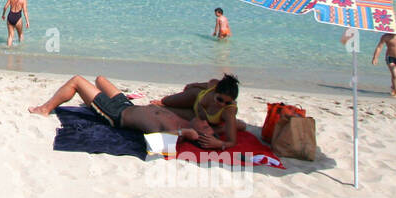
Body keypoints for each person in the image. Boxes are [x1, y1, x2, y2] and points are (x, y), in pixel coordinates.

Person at [28, 75, 220, 147]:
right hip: (127, 105)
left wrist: (185, 133)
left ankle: (44, 109)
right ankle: (91, 99)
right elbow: (210, 87)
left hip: (115, 114)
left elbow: (156, 145)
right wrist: (220, 142)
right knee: (100, 79)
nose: (204, 120)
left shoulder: (177, 132)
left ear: (198, 133)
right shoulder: (187, 118)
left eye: (205, 126)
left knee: (77, 81)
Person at [155, 76, 244, 150]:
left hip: (196, 116)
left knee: (166, 110)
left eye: (227, 103)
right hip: (194, 98)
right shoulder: (214, 84)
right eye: (219, 99)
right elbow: (204, 84)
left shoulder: (228, 111)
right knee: (165, 101)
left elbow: (232, 142)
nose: (222, 104)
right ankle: (234, 124)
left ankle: (231, 125)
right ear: (215, 91)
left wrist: (219, 144)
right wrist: (193, 85)